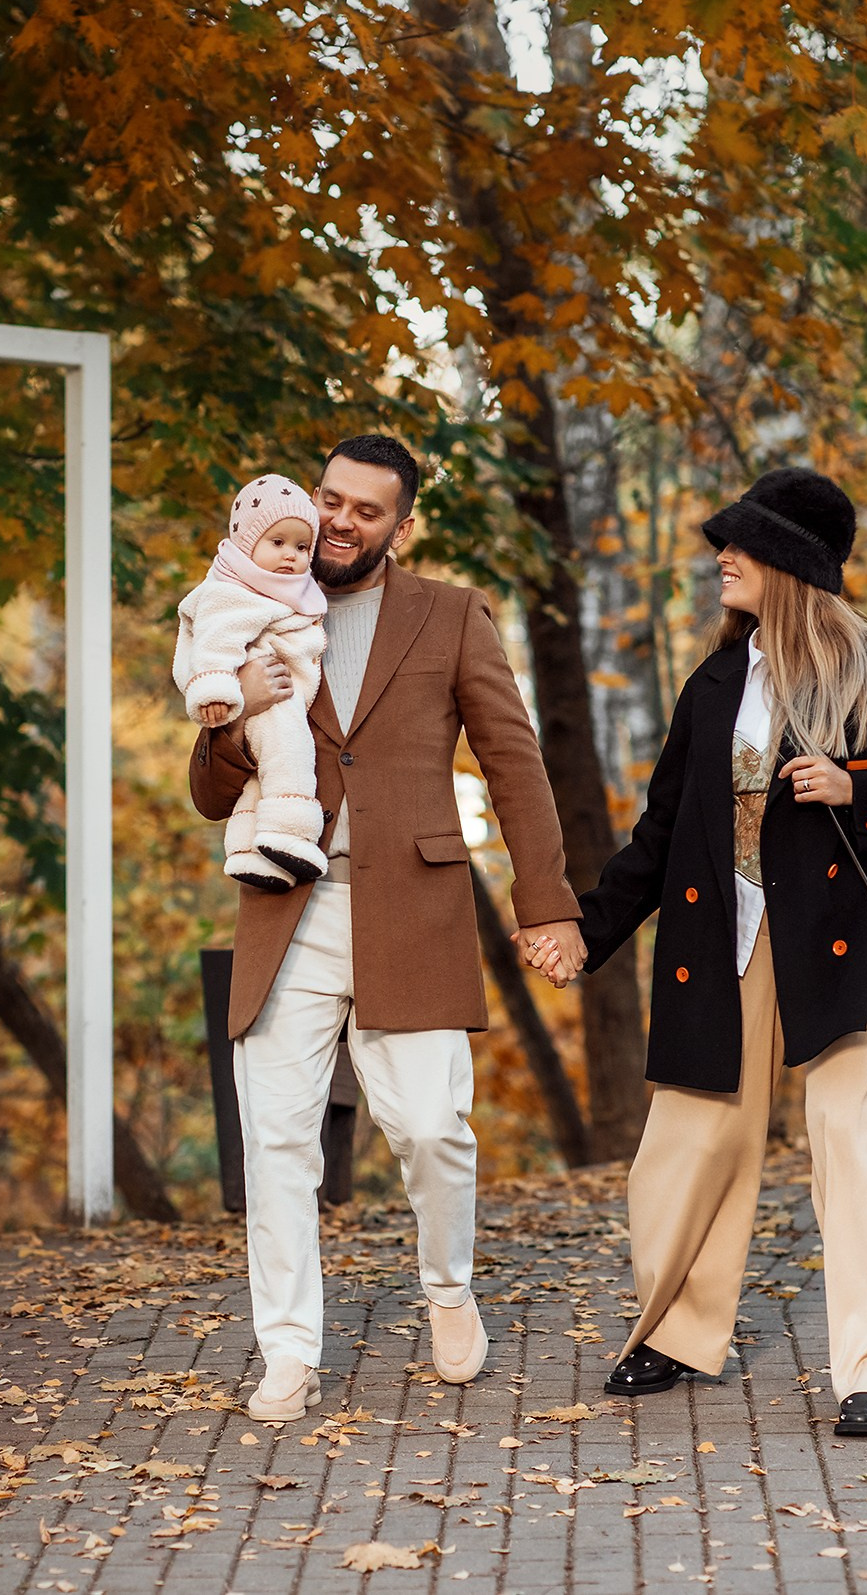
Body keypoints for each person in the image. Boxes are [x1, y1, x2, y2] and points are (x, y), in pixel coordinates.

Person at [535, 466, 867, 1439]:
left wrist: (857, 791)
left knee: (856, 1160)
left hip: (845, 950)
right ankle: (675, 1331)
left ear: (794, 564)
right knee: (684, 1150)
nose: (721, 558)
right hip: (720, 943)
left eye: (741, 544)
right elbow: (660, 834)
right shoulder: (712, 683)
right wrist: (585, 929)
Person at [191, 433, 582, 1423]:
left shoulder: (449, 615)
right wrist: (238, 728)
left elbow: (514, 761)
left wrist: (546, 904)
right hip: (290, 900)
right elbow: (205, 785)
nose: (337, 520)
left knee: (428, 1127)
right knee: (275, 1138)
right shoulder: (250, 602)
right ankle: (287, 1351)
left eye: (366, 509)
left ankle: (448, 1289)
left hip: (412, 904)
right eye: (329, 498)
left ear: (401, 524)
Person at [173, 475, 330, 890]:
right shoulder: (234, 589)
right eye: (276, 543)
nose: (290, 557)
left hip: (272, 691)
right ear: (247, 544)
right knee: (290, 754)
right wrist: (220, 689)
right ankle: (291, 831)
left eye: (301, 547)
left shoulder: (274, 588)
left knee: (261, 776)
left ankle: (248, 849)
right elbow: (215, 638)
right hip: (271, 698)